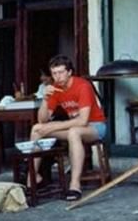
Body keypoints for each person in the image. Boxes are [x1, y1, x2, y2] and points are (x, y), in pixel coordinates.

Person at [28, 55, 107, 201]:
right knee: (37, 128)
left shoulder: (82, 85)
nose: (57, 77)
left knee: (74, 132)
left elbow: (83, 120)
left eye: (61, 72)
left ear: (69, 72)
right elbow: (42, 119)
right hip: (73, 127)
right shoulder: (55, 89)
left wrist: (54, 126)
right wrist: (45, 100)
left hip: (95, 127)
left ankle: (75, 185)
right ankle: (32, 180)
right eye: (54, 73)